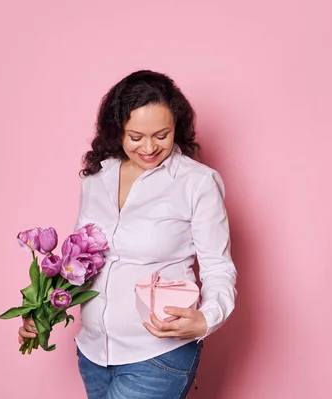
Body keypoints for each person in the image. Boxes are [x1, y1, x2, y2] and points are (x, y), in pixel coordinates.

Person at [18, 70, 237, 399]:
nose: (149, 147)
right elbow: (80, 259)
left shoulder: (198, 183)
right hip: (92, 353)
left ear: (177, 127)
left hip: (157, 355)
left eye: (161, 135)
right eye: (136, 137)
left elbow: (218, 266)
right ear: (116, 130)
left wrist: (207, 319)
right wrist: (42, 312)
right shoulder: (96, 177)